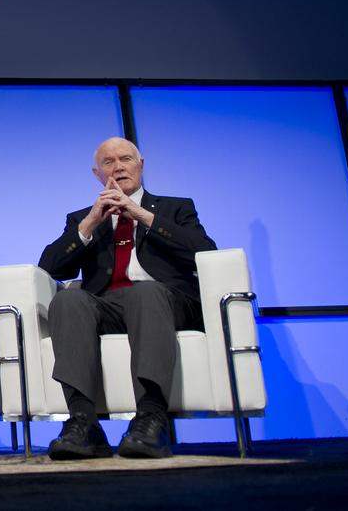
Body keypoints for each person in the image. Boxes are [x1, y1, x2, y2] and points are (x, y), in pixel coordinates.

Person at [38, 136, 216, 460]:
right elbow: (49, 268)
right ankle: (83, 422)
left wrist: (142, 215)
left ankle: (150, 417)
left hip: (166, 301)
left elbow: (204, 252)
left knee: (143, 293)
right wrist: (90, 223)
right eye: (109, 162)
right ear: (97, 173)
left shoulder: (176, 208)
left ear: (141, 165)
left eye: (125, 159)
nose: (118, 167)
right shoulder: (83, 217)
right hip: (108, 305)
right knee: (66, 300)